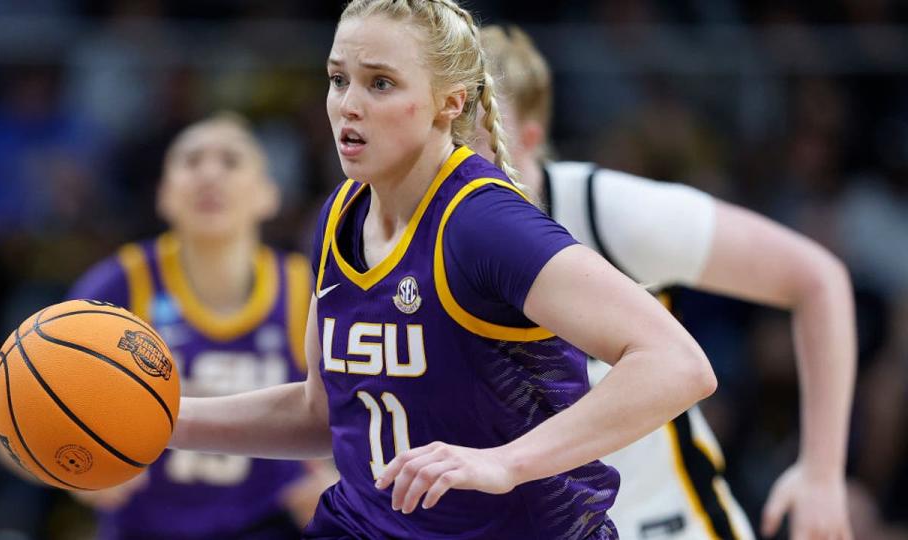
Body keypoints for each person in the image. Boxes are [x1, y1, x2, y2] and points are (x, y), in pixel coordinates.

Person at [168, 1, 717, 538]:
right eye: (339, 80)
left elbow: (678, 364)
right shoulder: (340, 213)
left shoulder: (483, 223)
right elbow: (323, 412)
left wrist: (507, 462)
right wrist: (163, 421)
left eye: (380, 83)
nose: (348, 105)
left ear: (449, 102)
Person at [477, 25, 856, 540]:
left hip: (667, 524)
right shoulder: (408, 231)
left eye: (471, 138)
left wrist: (823, 472)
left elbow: (818, 278)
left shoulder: (608, 211)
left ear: (529, 140)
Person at [65, 113, 331, 539]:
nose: (209, 173)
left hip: (268, 527)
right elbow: (18, 429)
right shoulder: (117, 287)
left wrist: (337, 482)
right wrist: (73, 469)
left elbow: (365, 414)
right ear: (164, 195)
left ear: (268, 195)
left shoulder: (308, 290)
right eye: (191, 161)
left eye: (230, 160)